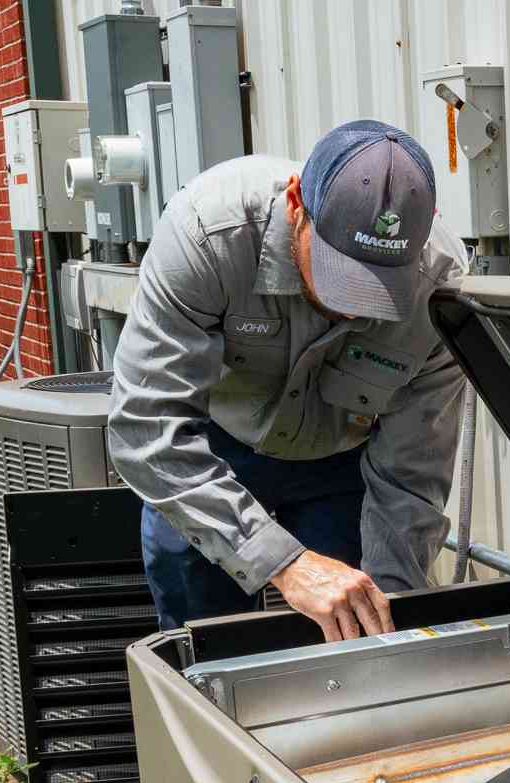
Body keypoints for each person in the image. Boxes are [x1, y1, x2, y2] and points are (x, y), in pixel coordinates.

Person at [108, 120, 469, 641]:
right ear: (297, 202)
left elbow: (411, 477)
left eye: (378, 290)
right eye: (340, 275)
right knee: (205, 639)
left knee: (354, 621)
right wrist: (285, 563)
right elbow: (147, 429)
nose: (352, 310)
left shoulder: (438, 288)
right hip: (209, 451)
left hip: (341, 462)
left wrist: (390, 629)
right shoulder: (207, 235)